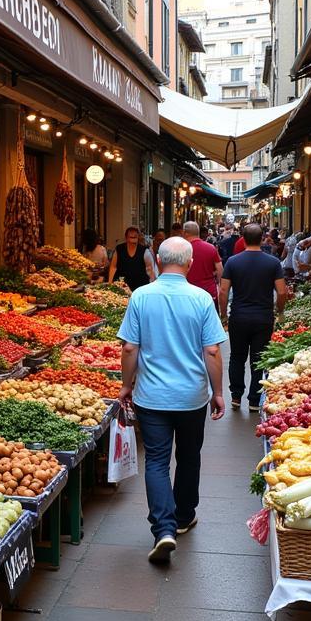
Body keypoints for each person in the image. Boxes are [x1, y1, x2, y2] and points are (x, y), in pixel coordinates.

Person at [117, 236, 227, 563]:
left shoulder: (140, 296)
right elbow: (212, 350)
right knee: (190, 455)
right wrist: (218, 392)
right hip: (192, 397)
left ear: (160, 262)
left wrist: (126, 385)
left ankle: (163, 529)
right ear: (190, 263)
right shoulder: (201, 299)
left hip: (151, 397)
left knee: (156, 461)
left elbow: (129, 348)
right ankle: (183, 517)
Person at [218, 223, 288, 413]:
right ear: (262, 238)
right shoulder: (273, 262)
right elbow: (282, 292)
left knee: (237, 357)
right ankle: (255, 400)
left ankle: (235, 396)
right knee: (258, 358)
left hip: (239, 316)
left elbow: (223, 291)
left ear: (243, 238)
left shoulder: (232, 262)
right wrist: (279, 311)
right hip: (263, 317)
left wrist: (223, 314)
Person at [182, 220, 223, 303]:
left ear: (185, 233)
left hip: (188, 293)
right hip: (209, 292)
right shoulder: (211, 248)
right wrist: (219, 287)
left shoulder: (181, 249)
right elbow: (220, 270)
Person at [108, 225, 157, 289]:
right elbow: (113, 267)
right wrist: (110, 283)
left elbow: (150, 270)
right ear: (126, 238)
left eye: (135, 237)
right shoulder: (119, 249)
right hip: (122, 286)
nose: (133, 239)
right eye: (131, 237)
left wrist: (152, 286)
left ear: (138, 237)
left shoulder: (145, 251)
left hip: (140, 286)